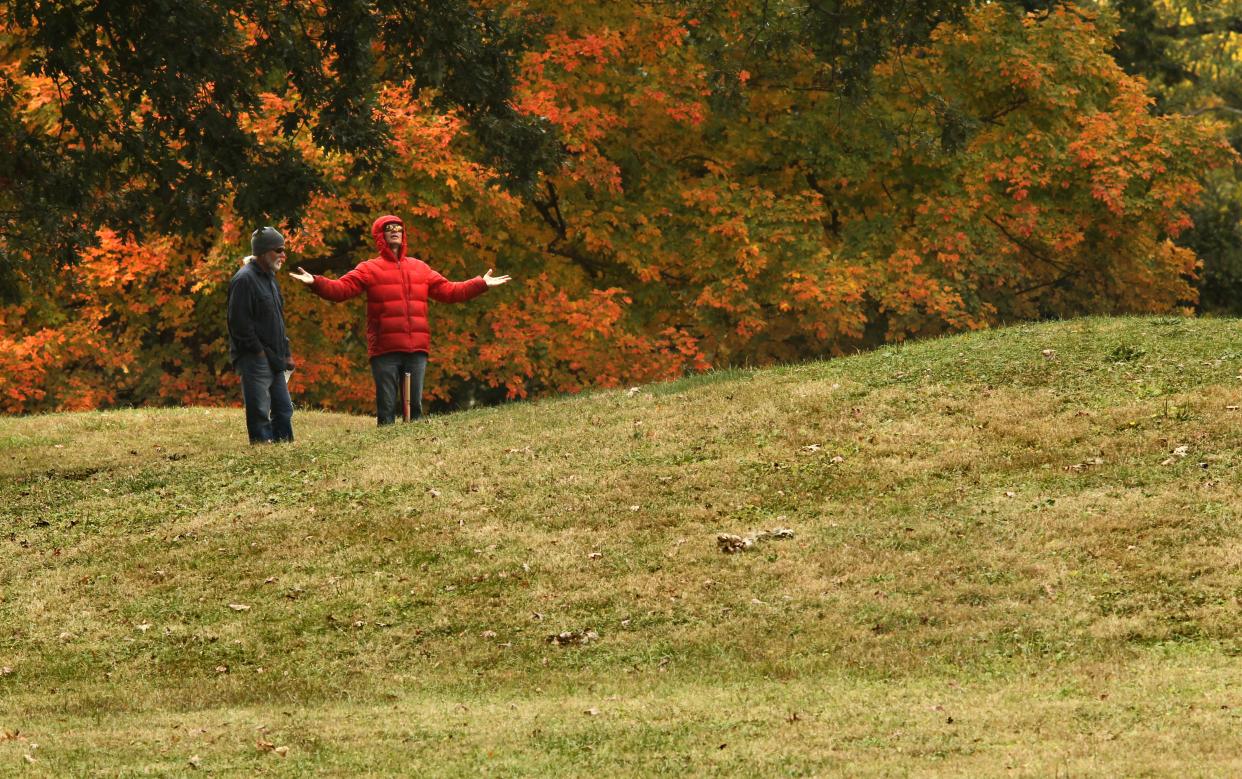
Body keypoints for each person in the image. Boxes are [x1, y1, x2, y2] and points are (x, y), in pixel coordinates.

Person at [289, 215, 511, 424]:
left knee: (415, 407)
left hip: (416, 349)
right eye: (389, 229)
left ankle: (415, 450)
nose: (395, 232)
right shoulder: (368, 268)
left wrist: (480, 284)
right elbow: (340, 289)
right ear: (380, 235)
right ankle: (384, 452)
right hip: (385, 349)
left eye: (399, 229)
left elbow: (450, 291)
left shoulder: (420, 268)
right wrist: (315, 282)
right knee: (386, 407)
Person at [227, 227, 295, 443]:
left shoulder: (270, 278)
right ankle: (261, 450)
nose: (284, 255)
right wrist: (257, 352)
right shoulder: (244, 280)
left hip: (275, 356)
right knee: (259, 411)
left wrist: (286, 353)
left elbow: (278, 321)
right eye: (279, 250)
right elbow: (238, 324)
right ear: (264, 252)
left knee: (284, 409)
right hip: (255, 357)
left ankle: (284, 447)